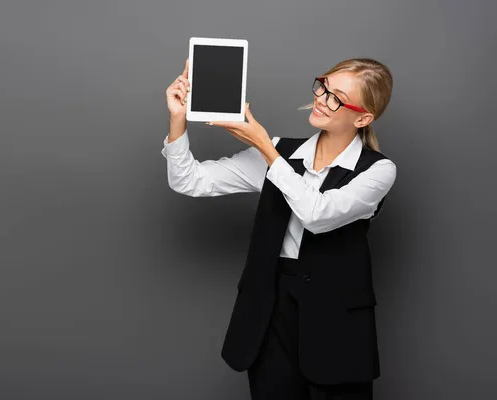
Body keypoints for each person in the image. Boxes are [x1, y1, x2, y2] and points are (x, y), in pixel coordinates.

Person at [161, 57, 397, 400]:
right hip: (272, 310)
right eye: (323, 86)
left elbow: (318, 215)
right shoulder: (281, 150)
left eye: (336, 97)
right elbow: (190, 181)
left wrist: (268, 152)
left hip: (337, 317)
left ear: (362, 117)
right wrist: (177, 121)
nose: (321, 98)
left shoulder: (378, 170)